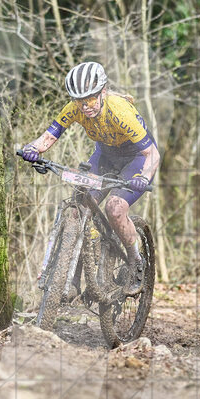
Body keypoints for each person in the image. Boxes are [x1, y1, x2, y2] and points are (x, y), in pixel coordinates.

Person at [20, 61, 161, 294]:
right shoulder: (74, 108)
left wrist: (144, 178)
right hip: (105, 156)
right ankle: (68, 277)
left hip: (136, 158)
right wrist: (32, 149)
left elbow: (152, 154)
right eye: (79, 100)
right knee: (78, 206)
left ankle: (136, 260)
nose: (85, 106)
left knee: (115, 209)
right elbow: (49, 136)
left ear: (103, 92)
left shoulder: (119, 111)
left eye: (90, 99)